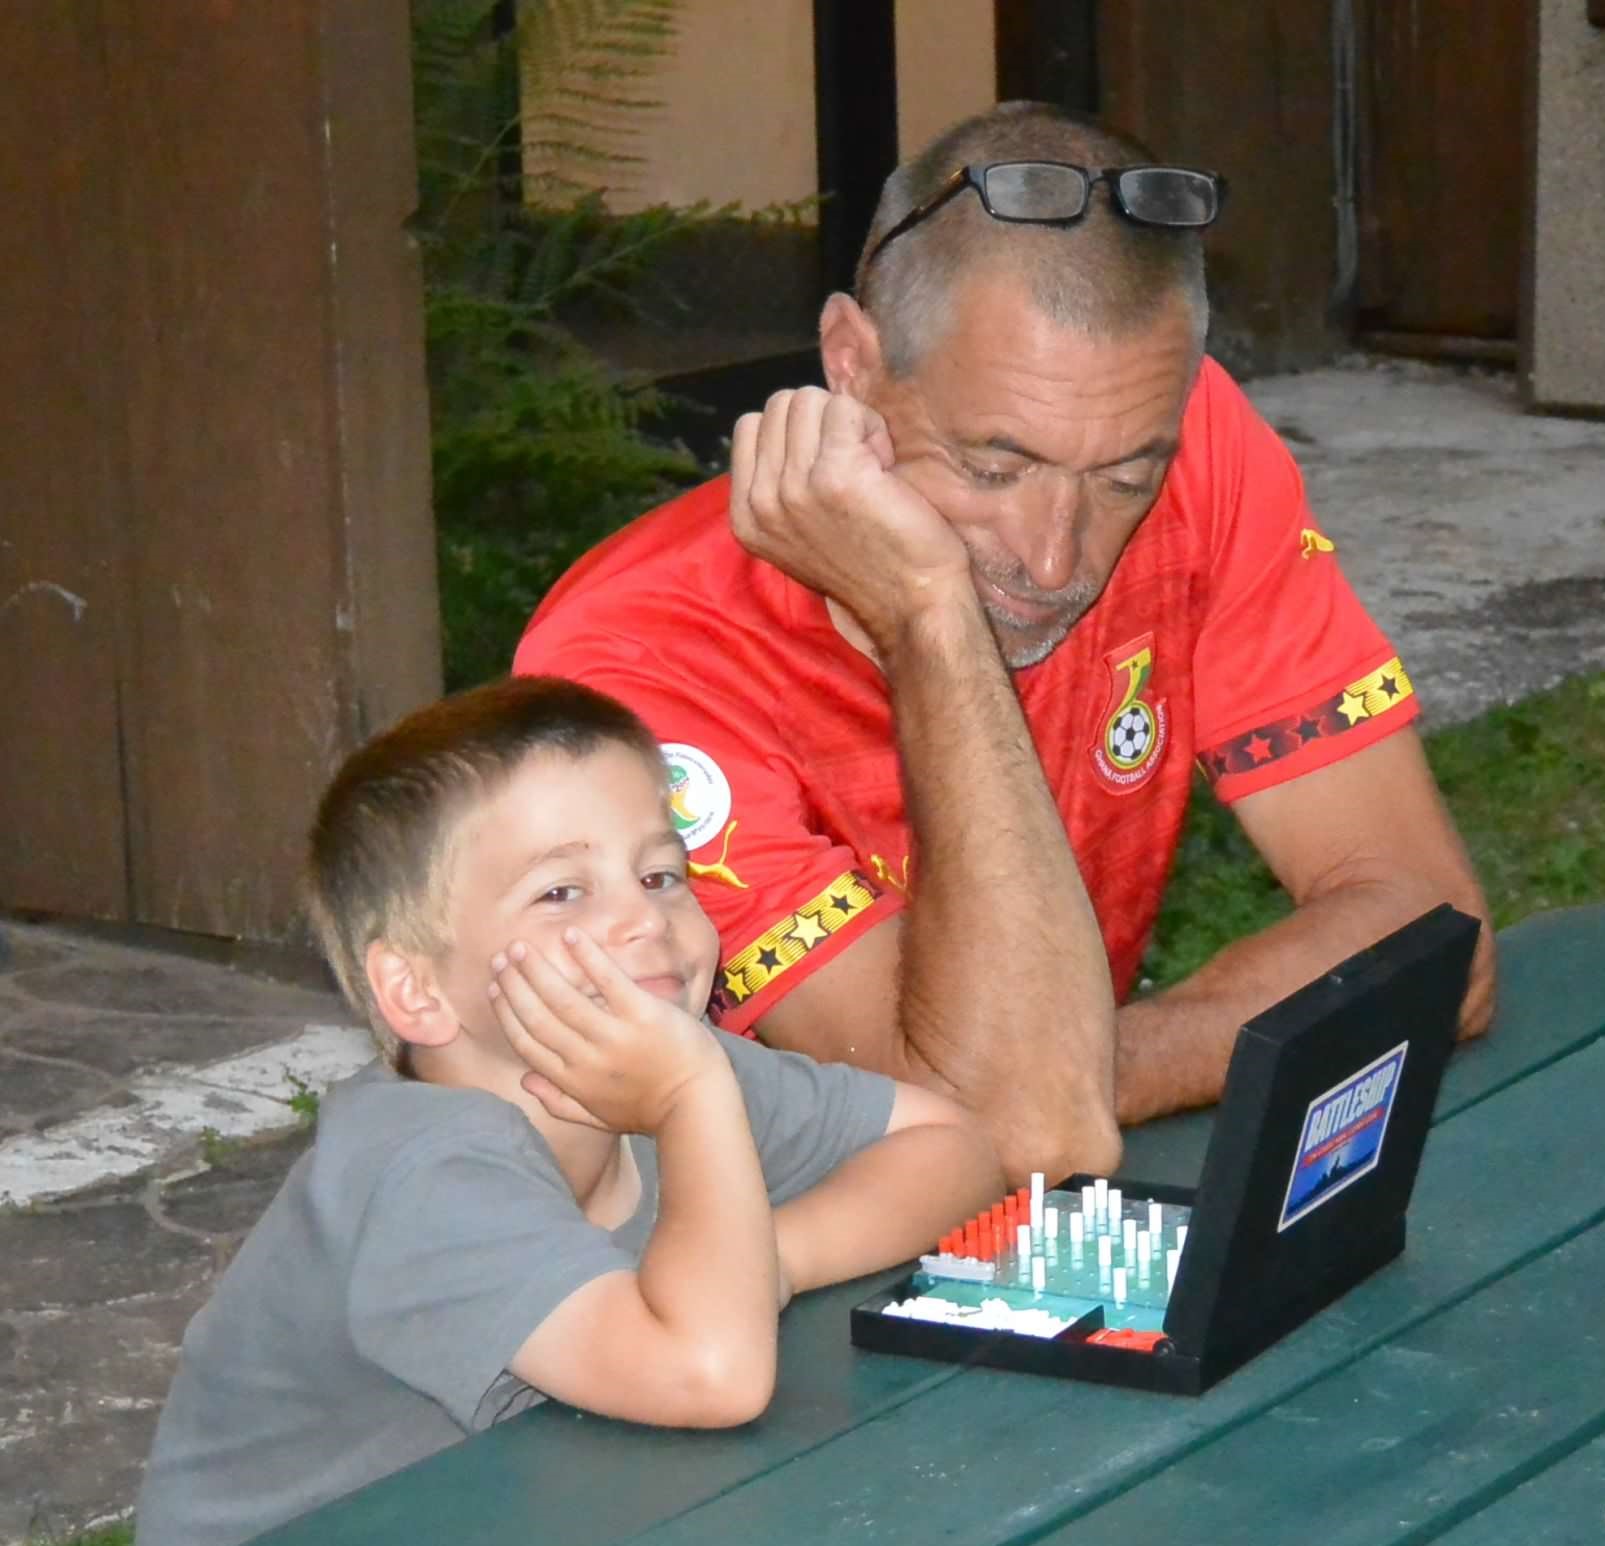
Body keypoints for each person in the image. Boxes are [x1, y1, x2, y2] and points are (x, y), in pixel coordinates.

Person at [513, 103, 1496, 1186]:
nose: (1053, 555)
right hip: (697, 1255)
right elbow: (1016, 1126)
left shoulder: (1181, 437)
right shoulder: (638, 660)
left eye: (1124, 480)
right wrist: (928, 613)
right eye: (992, 469)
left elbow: (1436, 943)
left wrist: (1077, 1063)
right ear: (851, 361)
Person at [133, 677, 1002, 1546]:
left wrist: (768, 1258)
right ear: (419, 989)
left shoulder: (663, 1068)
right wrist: (690, 1104)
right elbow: (712, 1376)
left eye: (660, 874)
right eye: (561, 892)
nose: (644, 919)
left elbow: (951, 1146)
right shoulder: (425, 1175)